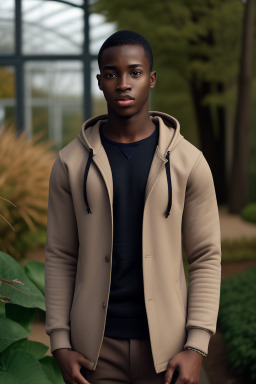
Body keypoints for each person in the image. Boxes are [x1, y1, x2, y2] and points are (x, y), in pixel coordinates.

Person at [45, 30, 221, 384]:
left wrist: (196, 345)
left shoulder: (189, 161)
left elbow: (205, 255)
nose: (123, 83)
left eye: (135, 73)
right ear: (99, 81)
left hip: (168, 352)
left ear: (151, 79)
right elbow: (61, 255)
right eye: (111, 74)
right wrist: (60, 342)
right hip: (93, 351)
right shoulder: (69, 163)